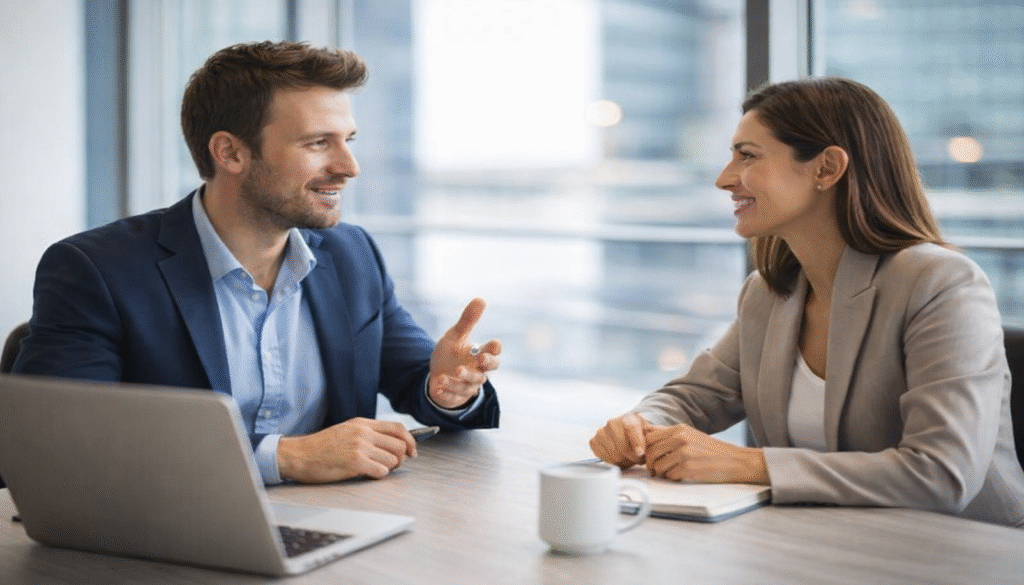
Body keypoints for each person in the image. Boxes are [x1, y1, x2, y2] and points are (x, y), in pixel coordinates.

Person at [12, 40, 501, 486]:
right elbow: (59, 448)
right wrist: (283, 457)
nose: (349, 167)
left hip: (342, 528)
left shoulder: (353, 256)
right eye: (317, 143)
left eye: (347, 140)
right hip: (168, 541)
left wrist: (447, 389)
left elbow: (417, 378)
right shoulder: (95, 270)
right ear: (230, 152)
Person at [589, 77, 1024, 527]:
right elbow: (697, 395)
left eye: (747, 155)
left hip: (962, 553)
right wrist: (639, 426)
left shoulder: (941, 284)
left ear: (827, 168)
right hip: (828, 544)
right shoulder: (769, 293)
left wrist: (750, 464)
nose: (724, 179)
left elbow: (941, 474)